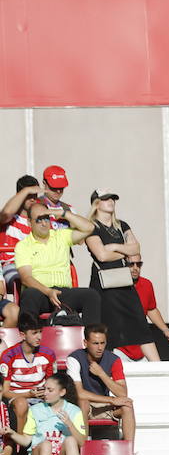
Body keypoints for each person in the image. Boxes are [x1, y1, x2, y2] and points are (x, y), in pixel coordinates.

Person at [85, 188, 154, 353]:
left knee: (139, 322)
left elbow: (136, 248)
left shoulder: (121, 225)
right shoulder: (91, 227)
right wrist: (125, 251)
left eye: (113, 199)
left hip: (123, 280)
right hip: (103, 282)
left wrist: (115, 247)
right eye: (106, 199)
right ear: (96, 203)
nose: (111, 202)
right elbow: (101, 255)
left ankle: (157, 366)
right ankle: (106, 367)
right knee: (106, 327)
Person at [17, 204, 100, 325]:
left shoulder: (61, 236)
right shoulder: (23, 246)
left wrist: (63, 213)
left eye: (46, 218)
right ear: (29, 222)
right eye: (39, 219)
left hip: (63, 293)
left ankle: (91, 339)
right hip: (40, 292)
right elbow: (26, 278)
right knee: (29, 294)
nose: (44, 223)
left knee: (91, 295)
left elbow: (89, 228)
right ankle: (29, 339)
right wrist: (48, 291)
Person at [67, 324, 136, 442]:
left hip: (103, 406)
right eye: (95, 343)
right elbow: (79, 393)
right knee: (83, 402)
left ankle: (128, 452)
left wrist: (102, 374)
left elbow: (123, 393)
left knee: (127, 406)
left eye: (102, 343)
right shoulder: (74, 358)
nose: (100, 348)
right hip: (82, 405)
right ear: (85, 343)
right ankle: (82, 449)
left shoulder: (114, 359)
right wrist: (111, 400)